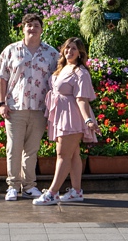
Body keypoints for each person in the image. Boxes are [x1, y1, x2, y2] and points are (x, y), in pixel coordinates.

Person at [0, 13, 59, 201]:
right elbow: (1, 78)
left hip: (39, 108)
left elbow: (58, 78)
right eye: (28, 25)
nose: (32, 28)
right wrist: (1, 103)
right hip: (15, 107)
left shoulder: (51, 53)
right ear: (22, 28)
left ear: (42, 29)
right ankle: (13, 185)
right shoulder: (10, 51)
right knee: (13, 147)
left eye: (36, 25)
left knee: (32, 149)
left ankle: (29, 185)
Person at [33, 37, 98, 205]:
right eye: (67, 48)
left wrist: (89, 120)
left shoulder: (80, 72)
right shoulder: (63, 67)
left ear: (80, 53)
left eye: (74, 49)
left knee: (62, 154)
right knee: (74, 154)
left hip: (72, 117)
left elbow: (82, 99)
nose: (69, 51)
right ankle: (76, 191)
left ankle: (52, 193)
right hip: (61, 115)